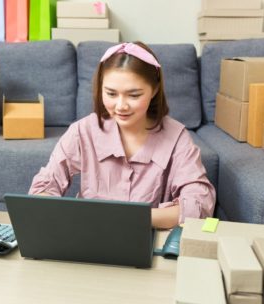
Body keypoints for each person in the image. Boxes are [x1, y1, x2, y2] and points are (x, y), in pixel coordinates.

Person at [29, 41, 216, 229]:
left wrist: (131, 218)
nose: (121, 106)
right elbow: (43, 189)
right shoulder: (82, 131)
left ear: (155, 89)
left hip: (146, 240)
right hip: (87, 236)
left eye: (134, 95)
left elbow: (199, 205)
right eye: (111, 93)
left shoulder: (177, 137)